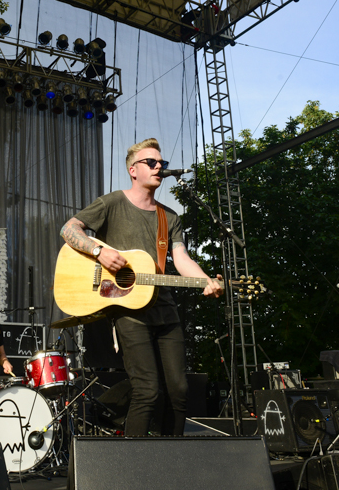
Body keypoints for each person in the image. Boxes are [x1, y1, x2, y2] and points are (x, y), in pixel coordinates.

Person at [59, 138, 223, 436]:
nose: (159, 167)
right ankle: (132, 467)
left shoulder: (168, 217)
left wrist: (206, 281)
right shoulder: (111, 203)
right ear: (133, 170)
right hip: (128, 310)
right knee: (147, 390)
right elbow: (68, 229)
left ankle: (173, 460)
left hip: (165, 309)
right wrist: (99, 252)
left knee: (179, 390)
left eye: (162, 163)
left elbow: (181, 257)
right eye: (152, 162)